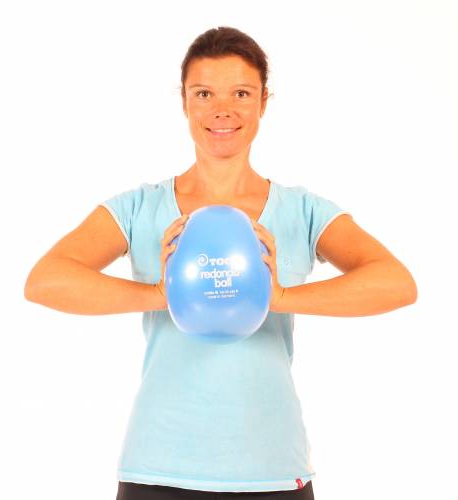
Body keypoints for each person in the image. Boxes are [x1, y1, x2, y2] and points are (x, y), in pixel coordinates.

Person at [24, 26, 417, 499]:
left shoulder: (301, 210)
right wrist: (160, 294)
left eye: (241, 93)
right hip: (159, 469)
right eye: (204, 93)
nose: (222, 109)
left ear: (264, 102)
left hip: (272, 468)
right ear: (184, 102)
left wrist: (277, 297)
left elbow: (396, 283)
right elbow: (45, 280)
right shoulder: (140, 208)